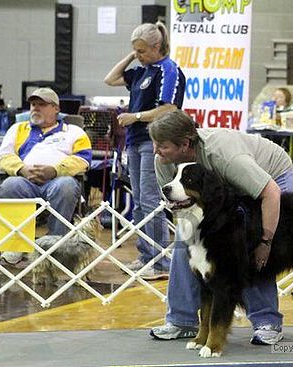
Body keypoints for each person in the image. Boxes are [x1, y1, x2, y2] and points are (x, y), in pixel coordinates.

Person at [149, 110, 293, 345]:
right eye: (154, 144)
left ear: (185, 144)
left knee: (250, 244)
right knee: (185, 247)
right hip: (219, 189)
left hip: (271, 177)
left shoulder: (223, 155)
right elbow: (180, 206)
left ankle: (267, 322)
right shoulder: (163, 161)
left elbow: (271, 193)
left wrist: (265, 241)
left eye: (162, 145)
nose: (155, 150)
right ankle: (182, 320)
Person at [104, 22, 186, 280]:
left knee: (151, 201)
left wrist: (136, 116)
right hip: (134, 141)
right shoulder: (142, 71)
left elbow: (169, 108)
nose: (138, 56)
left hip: (155, 142)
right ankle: (146, 254)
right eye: (135, 52)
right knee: (139, 201)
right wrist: (133, 54)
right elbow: (111, 79)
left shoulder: (168, 70)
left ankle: (161, 260)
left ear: (157, 46)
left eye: (142, 51)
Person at [0, 88, 92, 265]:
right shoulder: (17, 129)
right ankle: (16, 246)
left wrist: (55, 170)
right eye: (33, 104)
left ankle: (56, 248)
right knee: (10, 185)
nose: (35, 108)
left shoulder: (73, 132)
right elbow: (4, 156)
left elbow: (83, 159)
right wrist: (22, 169)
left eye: (41, 105)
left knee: (66, 186)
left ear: (56, 108)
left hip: (57, 180)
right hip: (25, 181)